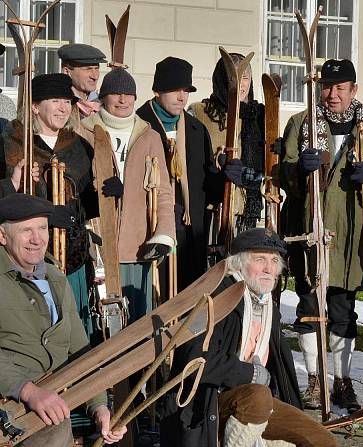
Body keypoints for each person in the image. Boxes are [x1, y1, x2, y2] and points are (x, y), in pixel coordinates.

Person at [161, 228, 336, 447]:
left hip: (255, 408)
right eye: (260, 259)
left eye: (273, 261)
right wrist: (248, 373)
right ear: (240, 263)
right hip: (207, 408)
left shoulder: (269, 307)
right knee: (256, 393)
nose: (268, 268)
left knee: (322, 445)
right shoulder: (214, 299)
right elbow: (193, 359)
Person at [0, 194, 125, 447]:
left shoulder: (55, 278)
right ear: (2, 236)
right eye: (25, 230)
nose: (37, 238)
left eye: (41, 228)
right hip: (9, 397)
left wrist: (99, 405)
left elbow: (78, 348)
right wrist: (27, 390)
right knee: (55, 427)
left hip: (48, 398)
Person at [281, 59, 363, 413]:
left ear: (353, 90)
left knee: (343, 309)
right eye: (327, 87)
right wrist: (298, 170)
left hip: (349, 234)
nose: (332, 95)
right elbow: (285, 177)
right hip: (310, 229)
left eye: (340, 88)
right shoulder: (300, 124)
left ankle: (341, 381)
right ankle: (314, 379)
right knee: (310, 306)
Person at [0, 73, 97, 338]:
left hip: (73, 256)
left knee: (74, 327)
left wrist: (106, 195)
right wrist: (46, 213)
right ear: (35, 106)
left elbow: (89, 207)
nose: (63, 108)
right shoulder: (12, 143)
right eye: (55, 101)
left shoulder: (80, 147)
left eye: (67, 101)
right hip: (26, 254)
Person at [81, 68, 176, 322]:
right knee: (101, 319)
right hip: (98, 244)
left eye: (128, 94)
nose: (122, 100)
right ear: (103, 97)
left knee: (136, 320)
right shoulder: (85, 132)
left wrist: (164, 233)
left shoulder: (150, 136)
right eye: (115, 94)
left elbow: (164, 191)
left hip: (137, 245)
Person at [137, 56, 233, 290]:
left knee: (187, 298)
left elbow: (208, 188)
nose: (181, 97)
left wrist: (226, 177)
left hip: (191, 233)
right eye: (174, 90)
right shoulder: (140, 125)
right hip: (150, 227)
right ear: (158, 90)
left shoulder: (195, 130)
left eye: (185, 90)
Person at [190, 52, 265, 234]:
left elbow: (265, 172)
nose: (240, 84)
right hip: (212, 208)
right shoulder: (200, 113)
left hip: (246, 210)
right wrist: (216, 170)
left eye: (245, 77)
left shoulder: (260, 116)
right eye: (232, 77)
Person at [59, 43, 106, 119]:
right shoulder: (59, 106)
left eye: (97, 68)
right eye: (88, 69)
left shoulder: (105, 103)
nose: (95, 76)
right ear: (67, 72)